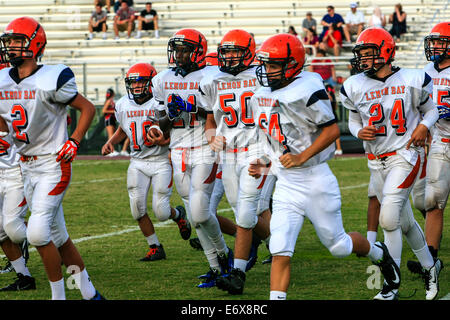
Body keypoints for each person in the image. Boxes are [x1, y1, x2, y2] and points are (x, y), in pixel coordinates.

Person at [248, 33, 400, 300]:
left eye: (274, 65)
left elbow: (331, 131)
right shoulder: (260, 94)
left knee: (339, 246)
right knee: (279, 247)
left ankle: (379, 253)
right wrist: (264, 161)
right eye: (266, 64)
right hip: (286, 184)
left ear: (292, 64)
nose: (267, 71)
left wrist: (301, 156)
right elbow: (270, 138)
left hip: (315, 179)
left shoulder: (306, 89)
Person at [0, 16, 104, 300]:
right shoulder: (2, 81)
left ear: (35, 43)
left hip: (53, 164)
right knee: (58, 237)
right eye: (8, 42)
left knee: (37, 234)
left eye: (17, 42)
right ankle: (90, 294)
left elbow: (87, 108)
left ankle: (58, 297)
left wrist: (75, 140)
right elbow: (8, 123)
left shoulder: (53, 77)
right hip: (26, 166)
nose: (10, 47)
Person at [340, 27, 440, 300]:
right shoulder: (353, 85)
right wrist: (357, 132)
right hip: (376, 161)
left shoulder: (413, 78)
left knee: (388, 219)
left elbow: (432, 110)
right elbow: (353, 120)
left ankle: (391, 286)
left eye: (369, 53)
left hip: (405, 155)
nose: (363, 60)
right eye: (361, 55)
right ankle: (432, 268)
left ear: (386, 51)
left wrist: (423, 127)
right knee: (404, 222)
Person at [193, 30, 275, 294]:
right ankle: (277, 242)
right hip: (229, 153)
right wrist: (210, 137)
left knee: (246, 211)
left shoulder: (262, 75)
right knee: (243, 211)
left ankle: (238, 272)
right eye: (225, 51)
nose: (228, 57)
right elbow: (209, 116)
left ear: (249, 52)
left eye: (235, 52)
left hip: (258, 148)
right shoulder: (212, 77)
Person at [151, 28, 232, 286]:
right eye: (176, 49)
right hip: (178, 150)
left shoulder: (212, 76)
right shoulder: (163, 79)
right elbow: (162, 120)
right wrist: (161, 124)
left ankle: (224, 253)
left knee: (198, 213)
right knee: (196, 216)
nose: (178, 54)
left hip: (204, 149)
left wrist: (193, 109)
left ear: (197, 51)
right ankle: (215, 267)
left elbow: (219, 116)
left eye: (184, 49)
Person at [101, 63, 191, 262]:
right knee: (137, 208)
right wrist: (110, 142)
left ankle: (178, 215)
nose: (136, 87)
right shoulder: (123, 104)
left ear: (150, 83)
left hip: (160, 161)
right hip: (137, 161)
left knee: (161, 211)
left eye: (141, 82)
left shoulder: (160, 103)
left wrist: (164, 140)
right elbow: (123, 129)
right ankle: (155, 246)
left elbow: (175, 130)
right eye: (133, 83)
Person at [406, 21, 449, 288]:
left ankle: (430, 259)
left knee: (433, 200)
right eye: (432, 42)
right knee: (425, 200)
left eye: (440, 42)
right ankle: (431, 257)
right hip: (436, 140)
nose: (434, 46)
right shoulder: (425, 71)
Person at [0, 113, 33, 289]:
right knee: (0, 231)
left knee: (13, 228)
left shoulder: (9, 103)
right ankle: (25, 277)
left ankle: (54, 240)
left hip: (16, 174)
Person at [102, 88, 130, 156]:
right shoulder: (109, 101)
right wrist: (113, 111)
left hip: (112, 119)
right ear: (113, 94)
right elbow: (104, 111)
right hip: (109, 119)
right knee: (111, 135)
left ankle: (111, 150)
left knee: (112, 135)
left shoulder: (111, 100)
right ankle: (111, 150)